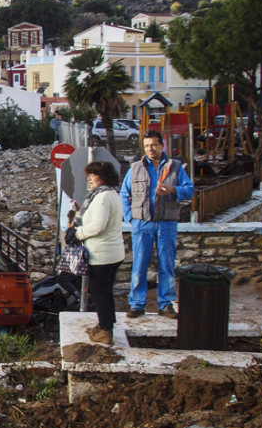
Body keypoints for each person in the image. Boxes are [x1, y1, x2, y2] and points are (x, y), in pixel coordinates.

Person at [121, 130, 194, 319]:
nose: (150, 149)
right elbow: (124, 193)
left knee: (166, 264)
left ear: (162, 145)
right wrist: (130, 217)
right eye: (147, 146)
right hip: (142, 223)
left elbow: (190, 190)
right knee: (139, 264)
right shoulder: (135, 167)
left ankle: (166, 304)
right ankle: (137, 304)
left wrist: (173, 190)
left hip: (166, 223)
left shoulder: (176, 167)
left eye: (153, 145)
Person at [69, 161, 125, 345]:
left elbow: (98, 225)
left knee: (99, 293)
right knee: (105, 292)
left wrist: (78, 233)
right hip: (111, 253)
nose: (89, 178)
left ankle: (106, 332)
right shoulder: (109, 194)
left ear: (103, 176)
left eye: (93, 174)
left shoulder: (102, 197)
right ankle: (106, 324)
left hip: (102, 255)